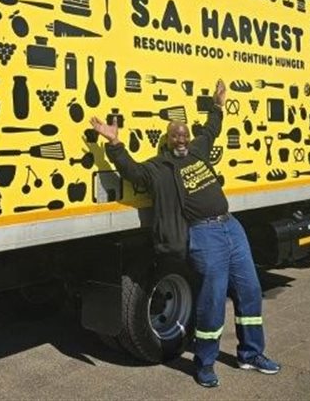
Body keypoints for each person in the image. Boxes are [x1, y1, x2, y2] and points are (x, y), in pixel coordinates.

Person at [90, 79, 280, 388]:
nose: (181, 139)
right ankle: (204, 363)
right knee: (212, 300)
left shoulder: (197, 150)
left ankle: (251, 353)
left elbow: (211, 130)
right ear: (167, 140)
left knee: (250, 291)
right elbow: (132, 171)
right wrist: (114, 145)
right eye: (176, 135)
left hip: (231, 226)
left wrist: (218, 104)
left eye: (184, 134)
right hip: (205, 236)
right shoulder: (159, 168)